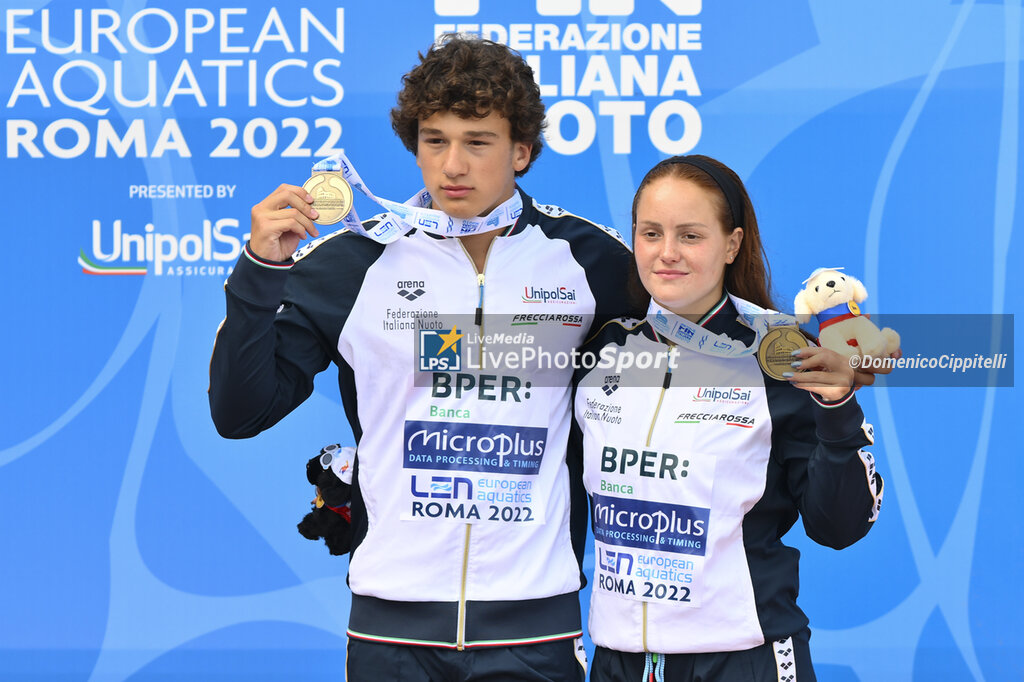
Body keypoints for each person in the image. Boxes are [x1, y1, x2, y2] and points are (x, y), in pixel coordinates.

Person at [208, 34, 635, 681]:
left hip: (535, 622)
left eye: (477, 141)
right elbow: (240, 411)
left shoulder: (590, 261)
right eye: (434, 140)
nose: (452, 165)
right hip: (390, 626)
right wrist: (260, 272)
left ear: (521, 150)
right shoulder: (353, 263)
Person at [572, 155, 885, 682]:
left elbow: (840, 526)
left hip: (744, 658)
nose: (666, 253)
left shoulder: (780, 358)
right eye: (651, 233)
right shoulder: (600, 349)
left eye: (690, 236)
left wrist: (837, 410)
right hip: (618, 661)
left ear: (732, 244)